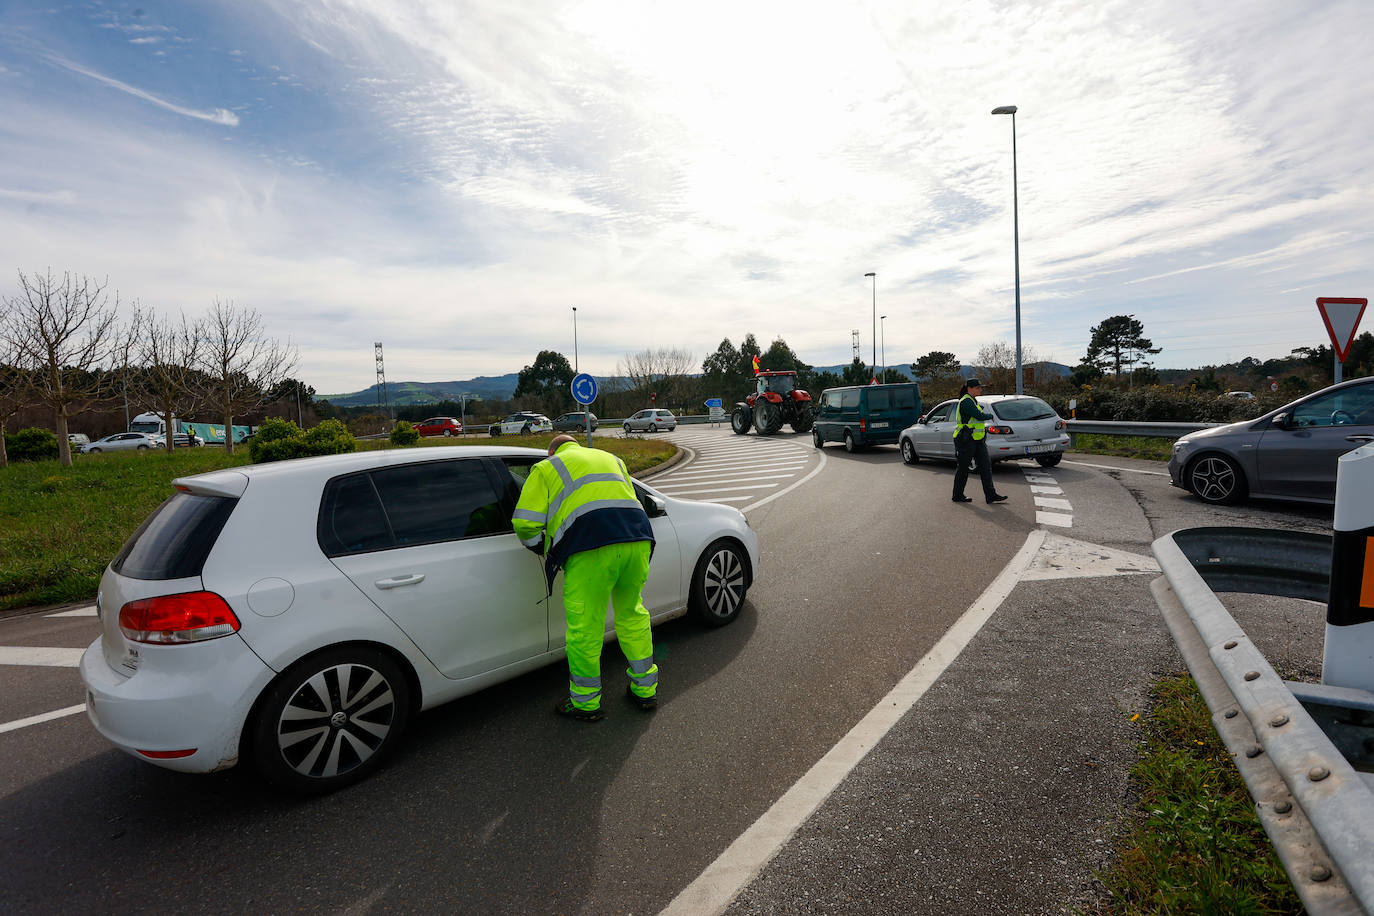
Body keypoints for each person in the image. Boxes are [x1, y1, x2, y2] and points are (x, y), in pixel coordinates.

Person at [512, 434, 659, 721]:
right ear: (577, 445)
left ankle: (585, 704)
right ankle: (645, 691)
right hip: (637, 540)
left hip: (590, 548)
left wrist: (544, 549)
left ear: (551, 451)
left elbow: (525, 522)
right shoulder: (612, 459)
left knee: (585, 629)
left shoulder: (547, 467)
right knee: (633, 615)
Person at [951, 378, 1008, 505]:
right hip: (965, 440)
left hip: (977, 440)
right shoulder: (966, 401)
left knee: (985, 467)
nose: (980, 389)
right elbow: (979, 416)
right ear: (969, 389)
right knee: (963, 468)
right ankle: (957, 495)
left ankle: (991, 495)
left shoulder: (973, 400)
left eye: (980, 387)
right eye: (978, 388)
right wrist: (990, 416)